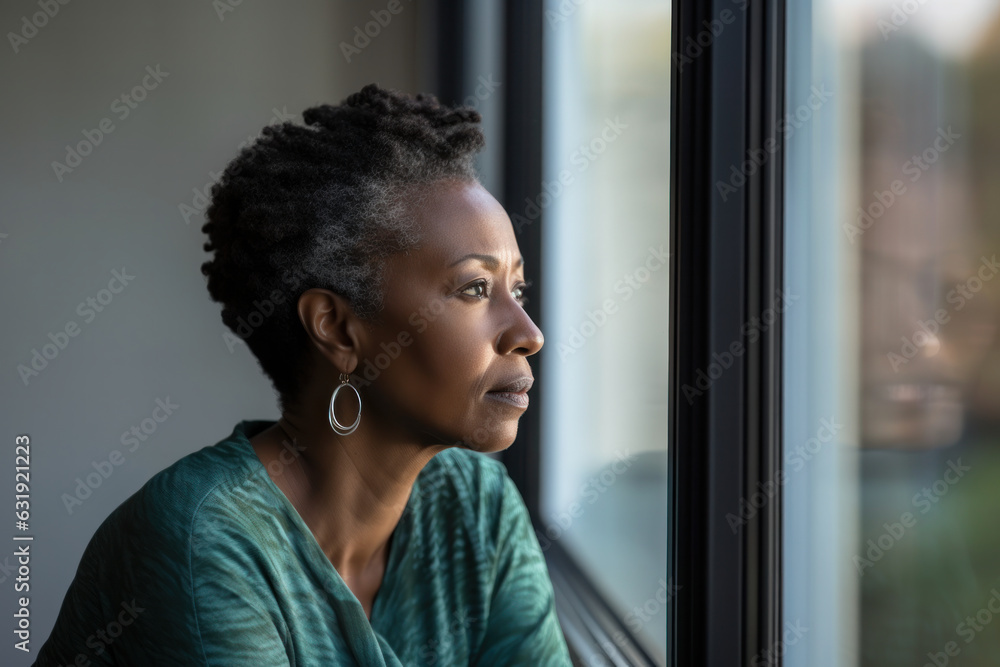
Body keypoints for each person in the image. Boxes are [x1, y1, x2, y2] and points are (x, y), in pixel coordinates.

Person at [34, 83, 573, 666]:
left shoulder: (478, 508)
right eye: (474, 288)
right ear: (338, 330)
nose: (529, 333)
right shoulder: (203, 537)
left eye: (517, 289)